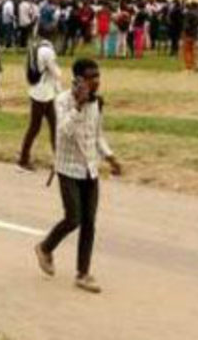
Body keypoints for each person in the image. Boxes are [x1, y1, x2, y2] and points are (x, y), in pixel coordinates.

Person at [33, 58, 122, 295]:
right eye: (91, 76)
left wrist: (110, 157)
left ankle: (83, 273)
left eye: (98, 76)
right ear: (78, 79)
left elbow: (97, 135)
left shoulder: (96, 103)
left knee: (89, 222)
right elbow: (62, 133)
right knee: (73, 218)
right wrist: (78, 106)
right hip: (67, 168)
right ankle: (45, 247)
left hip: (90, 169)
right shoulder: (62, 101)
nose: (96, 81)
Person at [18, 25, 61, 172]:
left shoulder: (36, 46)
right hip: (43, 93)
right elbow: (56, 73)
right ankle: (23, 160)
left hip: (40, 91)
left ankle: (59, 160)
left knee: (54, 126)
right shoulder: (48, 51)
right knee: (35, 128)